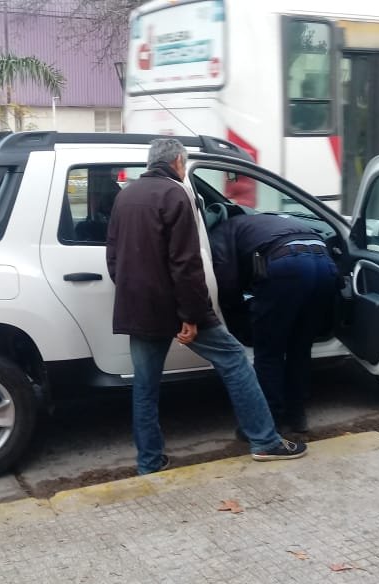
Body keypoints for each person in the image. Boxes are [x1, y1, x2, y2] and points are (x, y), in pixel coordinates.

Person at [106, 138, 307, 474]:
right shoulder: (176, 194)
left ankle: (149, 462)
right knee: (233, 360)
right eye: (183, 165)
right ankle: (265, 440)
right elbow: (185, 263)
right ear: (179, 164)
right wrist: (192, 315)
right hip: (174, 308)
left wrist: (133, 292)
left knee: (145, 387)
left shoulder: (125, 196)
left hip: (138, 307)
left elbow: (113, 257)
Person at [208, 210, 338, 434]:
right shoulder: (262, 220)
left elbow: (226, 280)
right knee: (300, 347)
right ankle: (297, 417)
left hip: (288, 264)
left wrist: (237, 314)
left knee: (269, 351)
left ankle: (270, 420)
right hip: (324, 263)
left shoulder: (221, 232)